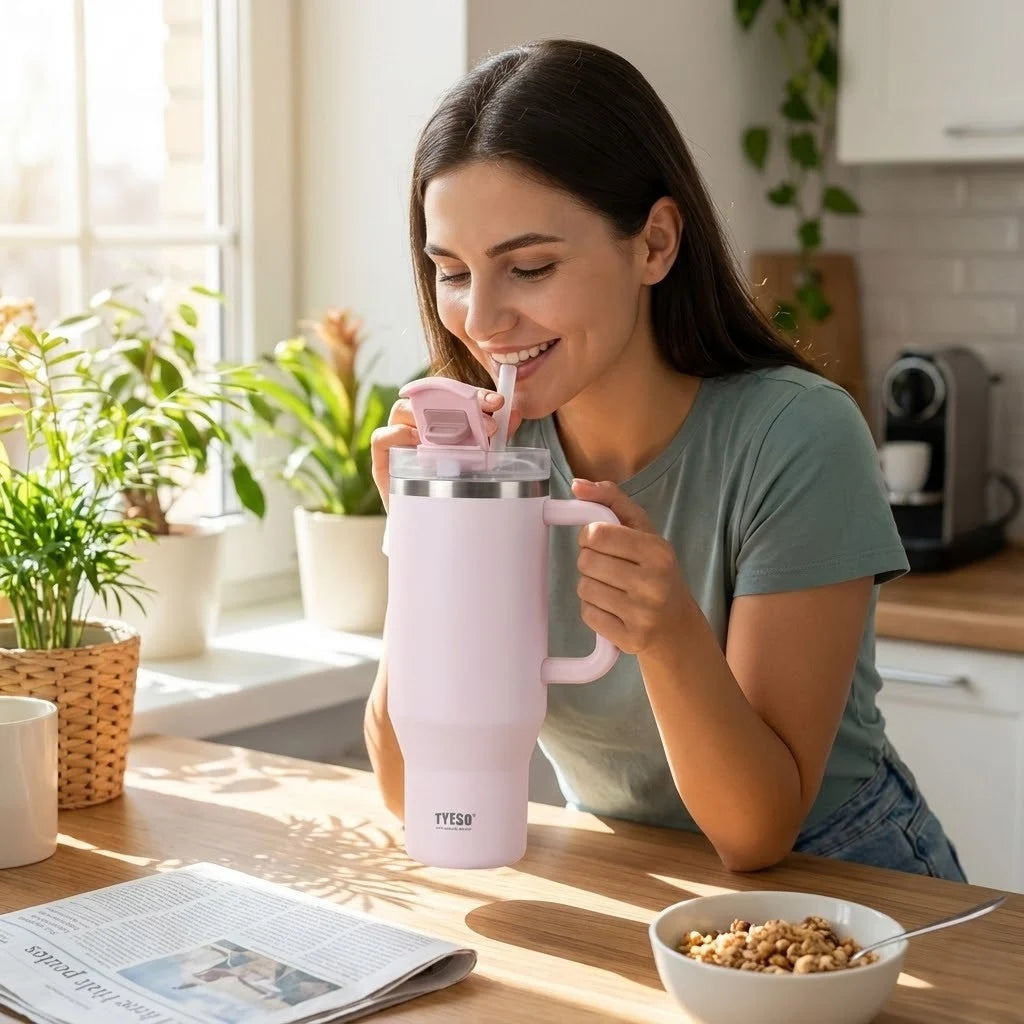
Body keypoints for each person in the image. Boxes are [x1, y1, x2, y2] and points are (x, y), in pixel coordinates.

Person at [364, 38, 965, 880]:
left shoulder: (797, 437)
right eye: (451, 272)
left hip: (839, 872)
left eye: (530, 266)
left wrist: (672, 632)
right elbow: (405, 790)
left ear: (654, 243)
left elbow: (755, 832)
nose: (484, 319)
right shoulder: (491, 447)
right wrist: (423, 540)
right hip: (624, 864)